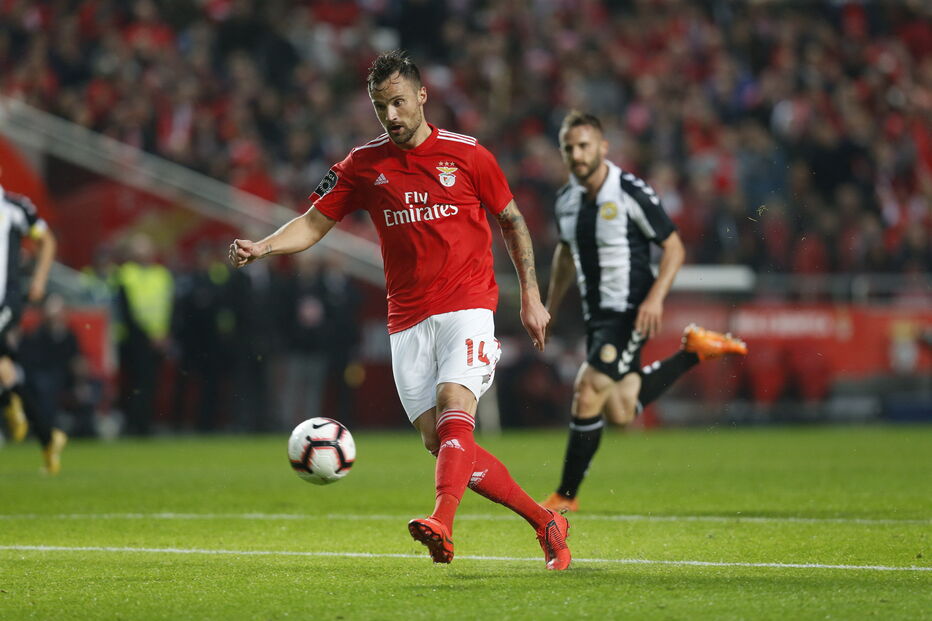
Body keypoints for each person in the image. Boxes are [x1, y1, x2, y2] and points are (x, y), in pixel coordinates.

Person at [230, 50, 571, 570]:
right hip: (407, 320)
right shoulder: (362, 164)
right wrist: (264, 247)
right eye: (380, 106)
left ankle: (442, 523)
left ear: (422, 96)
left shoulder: (469, 154)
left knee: (457, 410)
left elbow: (513, 221)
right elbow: (313, 222)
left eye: (398, 103)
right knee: (441, 442)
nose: (391, 116)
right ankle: (546, 522)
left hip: (468, 305)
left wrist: (531, 295)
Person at [541, 111, 748, 513]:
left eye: (584, 146)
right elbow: (566, 254)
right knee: (619, 410)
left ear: (603, 147)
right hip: (596, 314)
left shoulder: (629, 191)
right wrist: (549, 306)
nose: (577, 155)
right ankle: (693, 352)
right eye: (569, 148)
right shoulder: (565, 201)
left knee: (588, 389)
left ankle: (565, 495)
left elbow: (674, 247)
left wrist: (654, 298)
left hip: (631, 309)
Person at [0, 181, 67, 473]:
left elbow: (47, 241)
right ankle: (47, 436)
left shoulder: (15, 208)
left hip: (6, 302)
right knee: (5, 370)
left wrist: (39, 280)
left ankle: (7, 401)